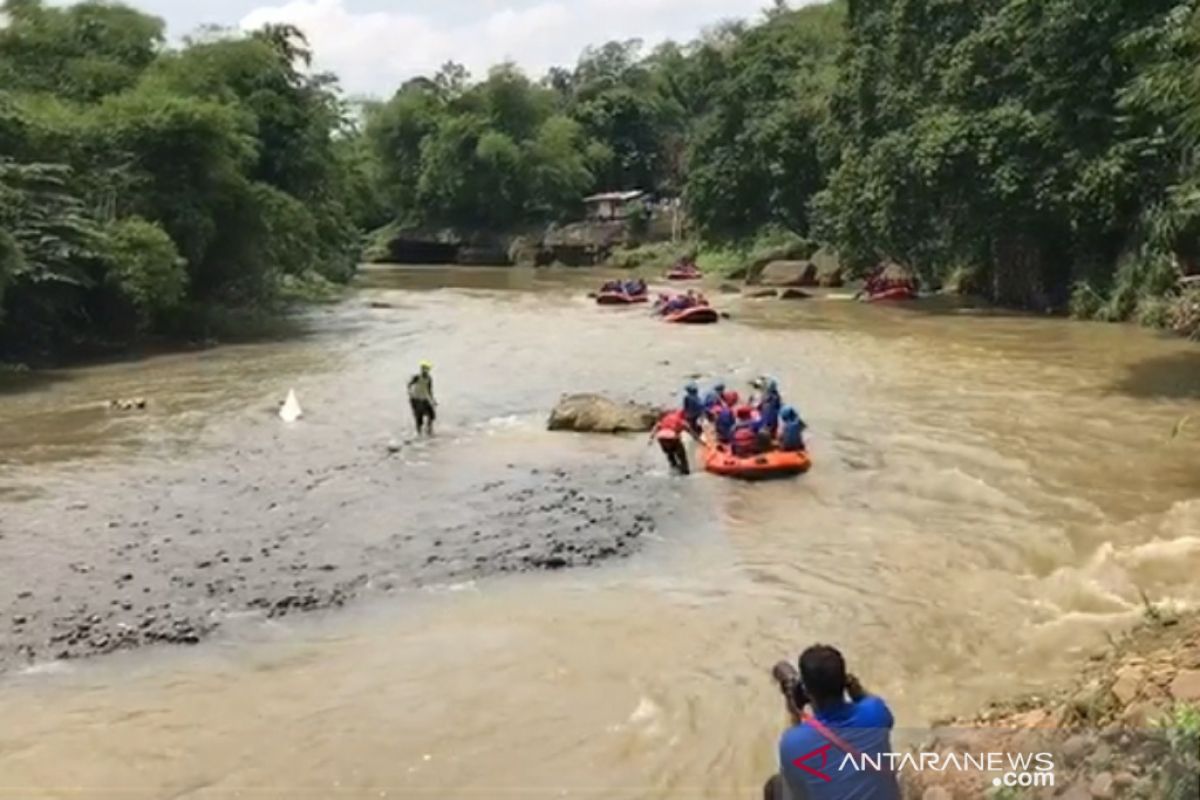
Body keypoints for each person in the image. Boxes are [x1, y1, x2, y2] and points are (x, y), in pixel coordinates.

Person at [767, 645, 899, 800]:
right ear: (844, 681)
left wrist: (794, 712)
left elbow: (797, 787)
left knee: (775, 786)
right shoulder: (876, 711)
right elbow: (871, 704)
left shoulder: (792, 742)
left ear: (806, 691)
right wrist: (857, 689)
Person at [649, 408, 691, 474]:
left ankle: (674, 469)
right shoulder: (681, 420)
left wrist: (651, 439)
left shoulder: (665, 419)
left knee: (670, 454)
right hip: (672, 437)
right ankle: (685, 472)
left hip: (661, 438)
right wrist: (703, 443)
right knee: (682, 456)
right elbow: (693, 433)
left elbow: (656, 427)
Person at [408, 360, 437, 435]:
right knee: (419, 417)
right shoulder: (417, 377)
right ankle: (419, 433)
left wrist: (433, 400)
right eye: (424, 368)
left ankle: (429, 430)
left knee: (432, 415)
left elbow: (429, 390)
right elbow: (409, 385)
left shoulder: (429, 379)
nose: (425, 370)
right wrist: (410, 394)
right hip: (416, 399)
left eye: (427, 369)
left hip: (424, 399)